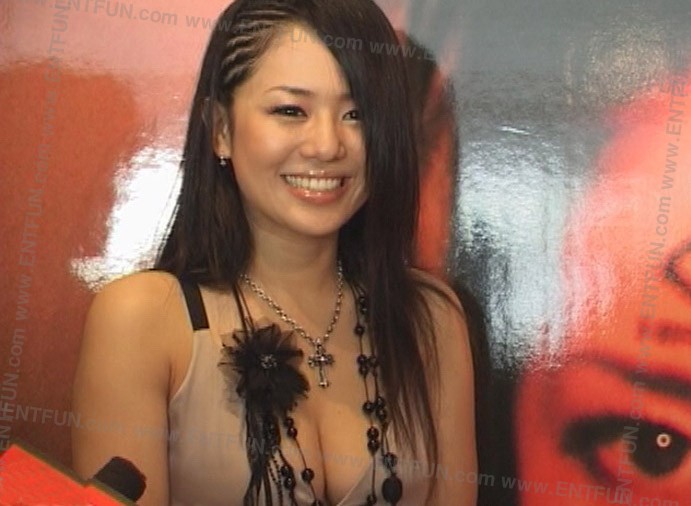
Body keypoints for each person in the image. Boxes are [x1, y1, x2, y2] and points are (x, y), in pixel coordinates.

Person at [71, 0, 476, 504]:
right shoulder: (143, 320)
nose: (327, 145)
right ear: (220, 128)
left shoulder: (432, 321)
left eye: (357, 114)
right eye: (290, 111)